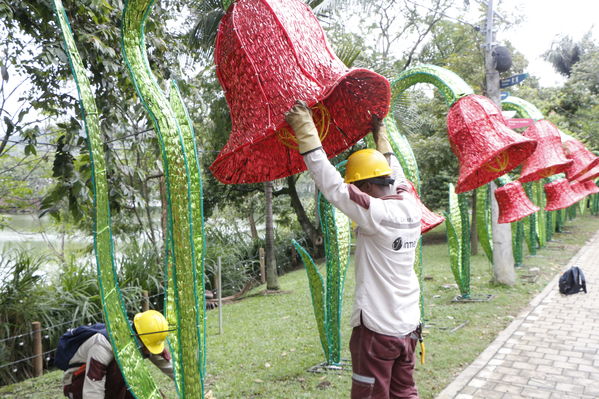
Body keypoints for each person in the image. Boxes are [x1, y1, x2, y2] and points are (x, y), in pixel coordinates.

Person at [286, 101, 422, 399]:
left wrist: (306, 131)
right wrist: (381, 136)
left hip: (378, 330)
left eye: (359, 188)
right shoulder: (409, 203)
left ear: (367, 189)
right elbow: (395, 172)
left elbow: (334, 187)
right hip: (409, 326)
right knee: (405, 392)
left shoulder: (376, 214)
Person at [62, 310, 174, 399]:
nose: (148, 352)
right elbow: (93, 388)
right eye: (147, 347)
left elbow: (172, 369)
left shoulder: (143, 337)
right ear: (137, 336)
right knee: (125, 365)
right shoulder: (103, 344)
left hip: (112, 382)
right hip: (78, 384)